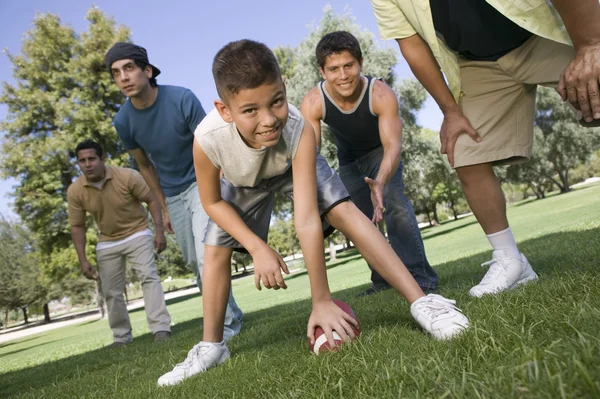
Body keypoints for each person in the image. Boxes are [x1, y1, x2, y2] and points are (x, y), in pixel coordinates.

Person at [156, 39, 469, 387]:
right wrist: (259, 248)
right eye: (250, 110)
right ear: (224, 109)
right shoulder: (207, 138)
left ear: (284, 88)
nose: (268, 119)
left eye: (276, 101)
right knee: (214, 248)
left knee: (344, 210)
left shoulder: (296, 126)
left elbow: (306, 218)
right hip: (244, 183)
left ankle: (423, 303)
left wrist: (320, 299)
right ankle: (211, 345)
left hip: (291, 166)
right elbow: (212, 203)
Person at [369, 0, 600, 297]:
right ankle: (510, 260)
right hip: (479, 63)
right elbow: (412, 46)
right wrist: (450, 111)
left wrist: (591, 45)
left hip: (542, 33)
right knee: (464, 150)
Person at [104, 42, 243, 338]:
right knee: (194, 260)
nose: (123, 77)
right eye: (116, 73)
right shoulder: (123, 121)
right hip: (172, 194)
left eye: (129, 68)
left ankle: (226, 325)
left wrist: (217, 188)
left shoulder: (181, 98)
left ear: (148, 70)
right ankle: (229, 315)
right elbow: (145, 167)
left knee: (208, 255)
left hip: (202, 182)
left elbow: (210, 142)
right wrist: (164, 207)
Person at [301, 31, 438, 297]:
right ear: (322, 71)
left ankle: (422, 279)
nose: (343, 75)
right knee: (359, 221)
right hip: (348, 160)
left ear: (360, 63)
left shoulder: (381, 94)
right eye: (333, 69)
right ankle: (382, 281)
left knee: (394, 202)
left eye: (348, 65)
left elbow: (392, 146)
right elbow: (311, 153)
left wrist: (381, 181)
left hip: (380, 153)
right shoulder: (313, 102)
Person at [67, 140, 171, 347]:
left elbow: (151, 200)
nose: (87, 164)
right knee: (111, 291)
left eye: (91, 159)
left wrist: (159, 231)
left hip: (137, 232)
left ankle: (161, 328)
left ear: (101, 159)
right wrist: (83, 259)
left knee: (148, 276)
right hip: (107, 240)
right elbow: (77, 226)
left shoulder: (127, 176)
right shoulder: (75, 190)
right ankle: (122, 337)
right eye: (82, 161)